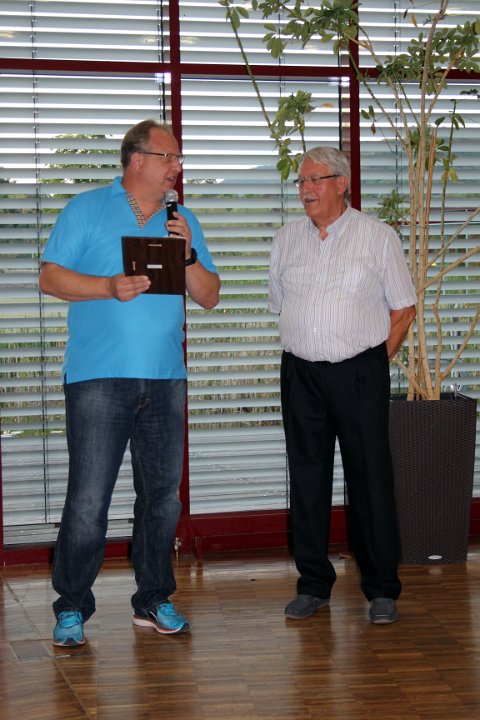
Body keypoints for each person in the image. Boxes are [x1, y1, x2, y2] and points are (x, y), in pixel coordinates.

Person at [39, 119, 220, 646]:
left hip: (166, 380)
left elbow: (209, 295)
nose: (177, 167)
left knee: (162, 499)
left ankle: (153, 600)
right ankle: (72, 606)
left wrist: (187, 253)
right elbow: (50, 277)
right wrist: (108, 286)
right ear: (137, 159)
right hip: (98, 378)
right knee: (88, 499)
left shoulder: (182, 219)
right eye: (169, 157)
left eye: (178, 159)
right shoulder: (87, 209)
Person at [268, 146, 416, 624]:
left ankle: (382, 588)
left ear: (341, 184)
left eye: (315, 179)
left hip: (359, 372)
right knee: (307, 479)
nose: (305, 189)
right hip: (300, 374)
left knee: (370, 478)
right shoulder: (286, 239)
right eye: (301, 181)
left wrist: (371, 365)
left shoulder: (378, 237)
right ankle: (313, 584)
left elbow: (404, 309)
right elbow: (280, 303)